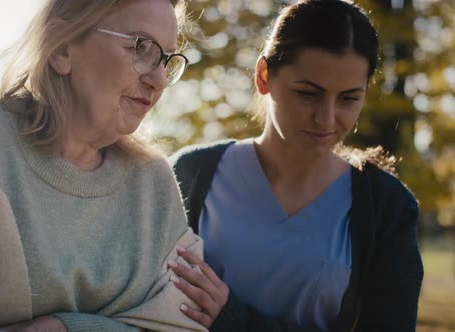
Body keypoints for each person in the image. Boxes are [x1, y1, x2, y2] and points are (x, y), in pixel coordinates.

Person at [0, 0, 208, 331]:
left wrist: (70, 328)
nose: (160, 80)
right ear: (62, 49)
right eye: (141, 47)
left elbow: (181, 322)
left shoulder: (154, 184)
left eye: (166, 60)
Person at [168, 0, 424, 331]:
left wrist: (235, 321)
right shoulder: (190, 175)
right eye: (308, 93)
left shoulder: (387, 209)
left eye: (348, 98)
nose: (326, 118)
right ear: (264, 76)